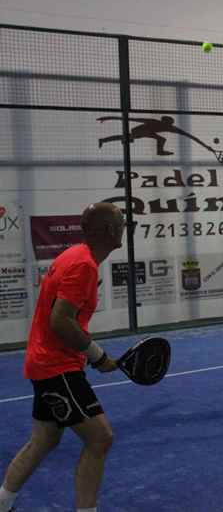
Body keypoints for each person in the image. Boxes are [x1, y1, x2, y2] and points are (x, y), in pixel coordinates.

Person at [0, 202, 124, 512]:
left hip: (43, 362)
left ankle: (3, 502)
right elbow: (60, 321)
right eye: (122, 224)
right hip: (56, 366)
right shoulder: (84, 265)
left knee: (44, 439)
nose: (124, 229)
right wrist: (98, 356)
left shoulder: (74, 256)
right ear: (110, 231)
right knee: (100, 438)